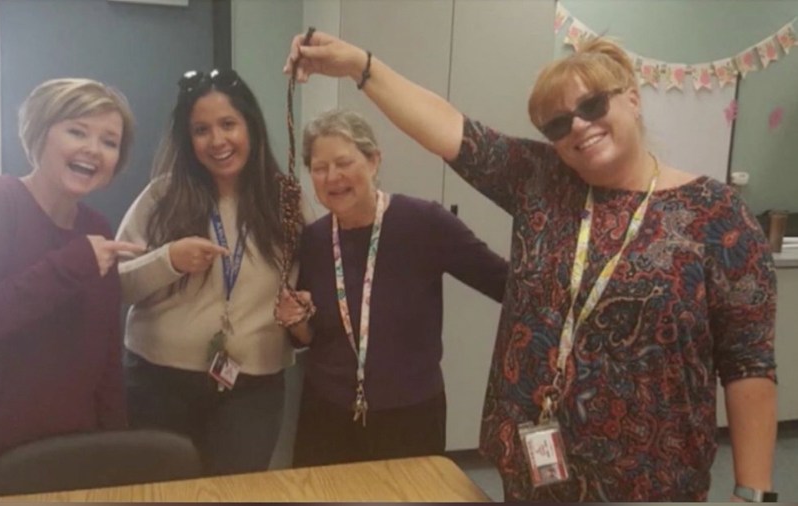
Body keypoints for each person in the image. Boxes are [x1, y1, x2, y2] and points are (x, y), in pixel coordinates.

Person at [283, 33, 777, 502]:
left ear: (632, 98)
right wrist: (360, 67)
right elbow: (449, 128)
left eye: (592, 106)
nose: (578, 127)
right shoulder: (542, 180)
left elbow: (749, 365)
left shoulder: (714, 214)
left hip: (648, 478)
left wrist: (753, 494)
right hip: (534, 465)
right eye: (558, 124)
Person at [0, 78, 141, 500]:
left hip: (69, 453)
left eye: (109, 141)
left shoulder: (97, 229)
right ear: (40, 133)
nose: (93, 149)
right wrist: (71, 265)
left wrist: (115, 453)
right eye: (77, 131)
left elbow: (105, 358)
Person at [274, 109, 508, 467]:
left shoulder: (424, 223)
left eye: (344, 162)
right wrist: (294, 320)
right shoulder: (314, 240)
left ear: (373, 161)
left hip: (409, 414)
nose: (332, 177)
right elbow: (307, 337)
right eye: (320, 168)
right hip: (327, 413)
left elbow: (503, 282)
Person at [116, 68, 300, 476]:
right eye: (201, 129)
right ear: (188, 138)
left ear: (250, 126)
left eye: (228, 124)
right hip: (158, 381)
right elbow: (117, 286)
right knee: (162, 495)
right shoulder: (161, 196)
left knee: (236, 494)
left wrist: (303, 311)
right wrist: (169, 261)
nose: (217, 141)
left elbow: (309, 291)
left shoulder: (286, 201)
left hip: (252, 387)